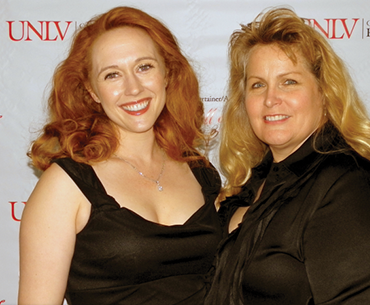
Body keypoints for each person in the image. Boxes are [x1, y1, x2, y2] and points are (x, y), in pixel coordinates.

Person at [18, 6, 222, 305]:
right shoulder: (66, 185)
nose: (133, 88)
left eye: (144, 67)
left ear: (167, 72)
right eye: (112, 75)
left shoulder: (200, 171)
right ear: (92, 91)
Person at [205, 7, 370, 305]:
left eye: (289, 81)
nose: (271, 99)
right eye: (257, 84)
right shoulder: (253, 183)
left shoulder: (350, 186)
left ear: (324, 93)